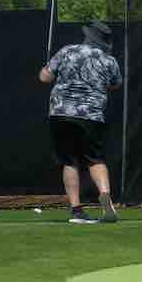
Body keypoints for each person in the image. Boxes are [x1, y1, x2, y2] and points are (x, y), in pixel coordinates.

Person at [39, 19, 122, 224]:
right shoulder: (109, 60)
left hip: (60, 112)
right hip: (91, 115)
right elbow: (115, 84)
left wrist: (47, 68)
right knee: (95, 159)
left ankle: (76, 209)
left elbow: (44, 78)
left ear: (87, 36)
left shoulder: (67, 51)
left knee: (69, 160)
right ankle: (105, 196)